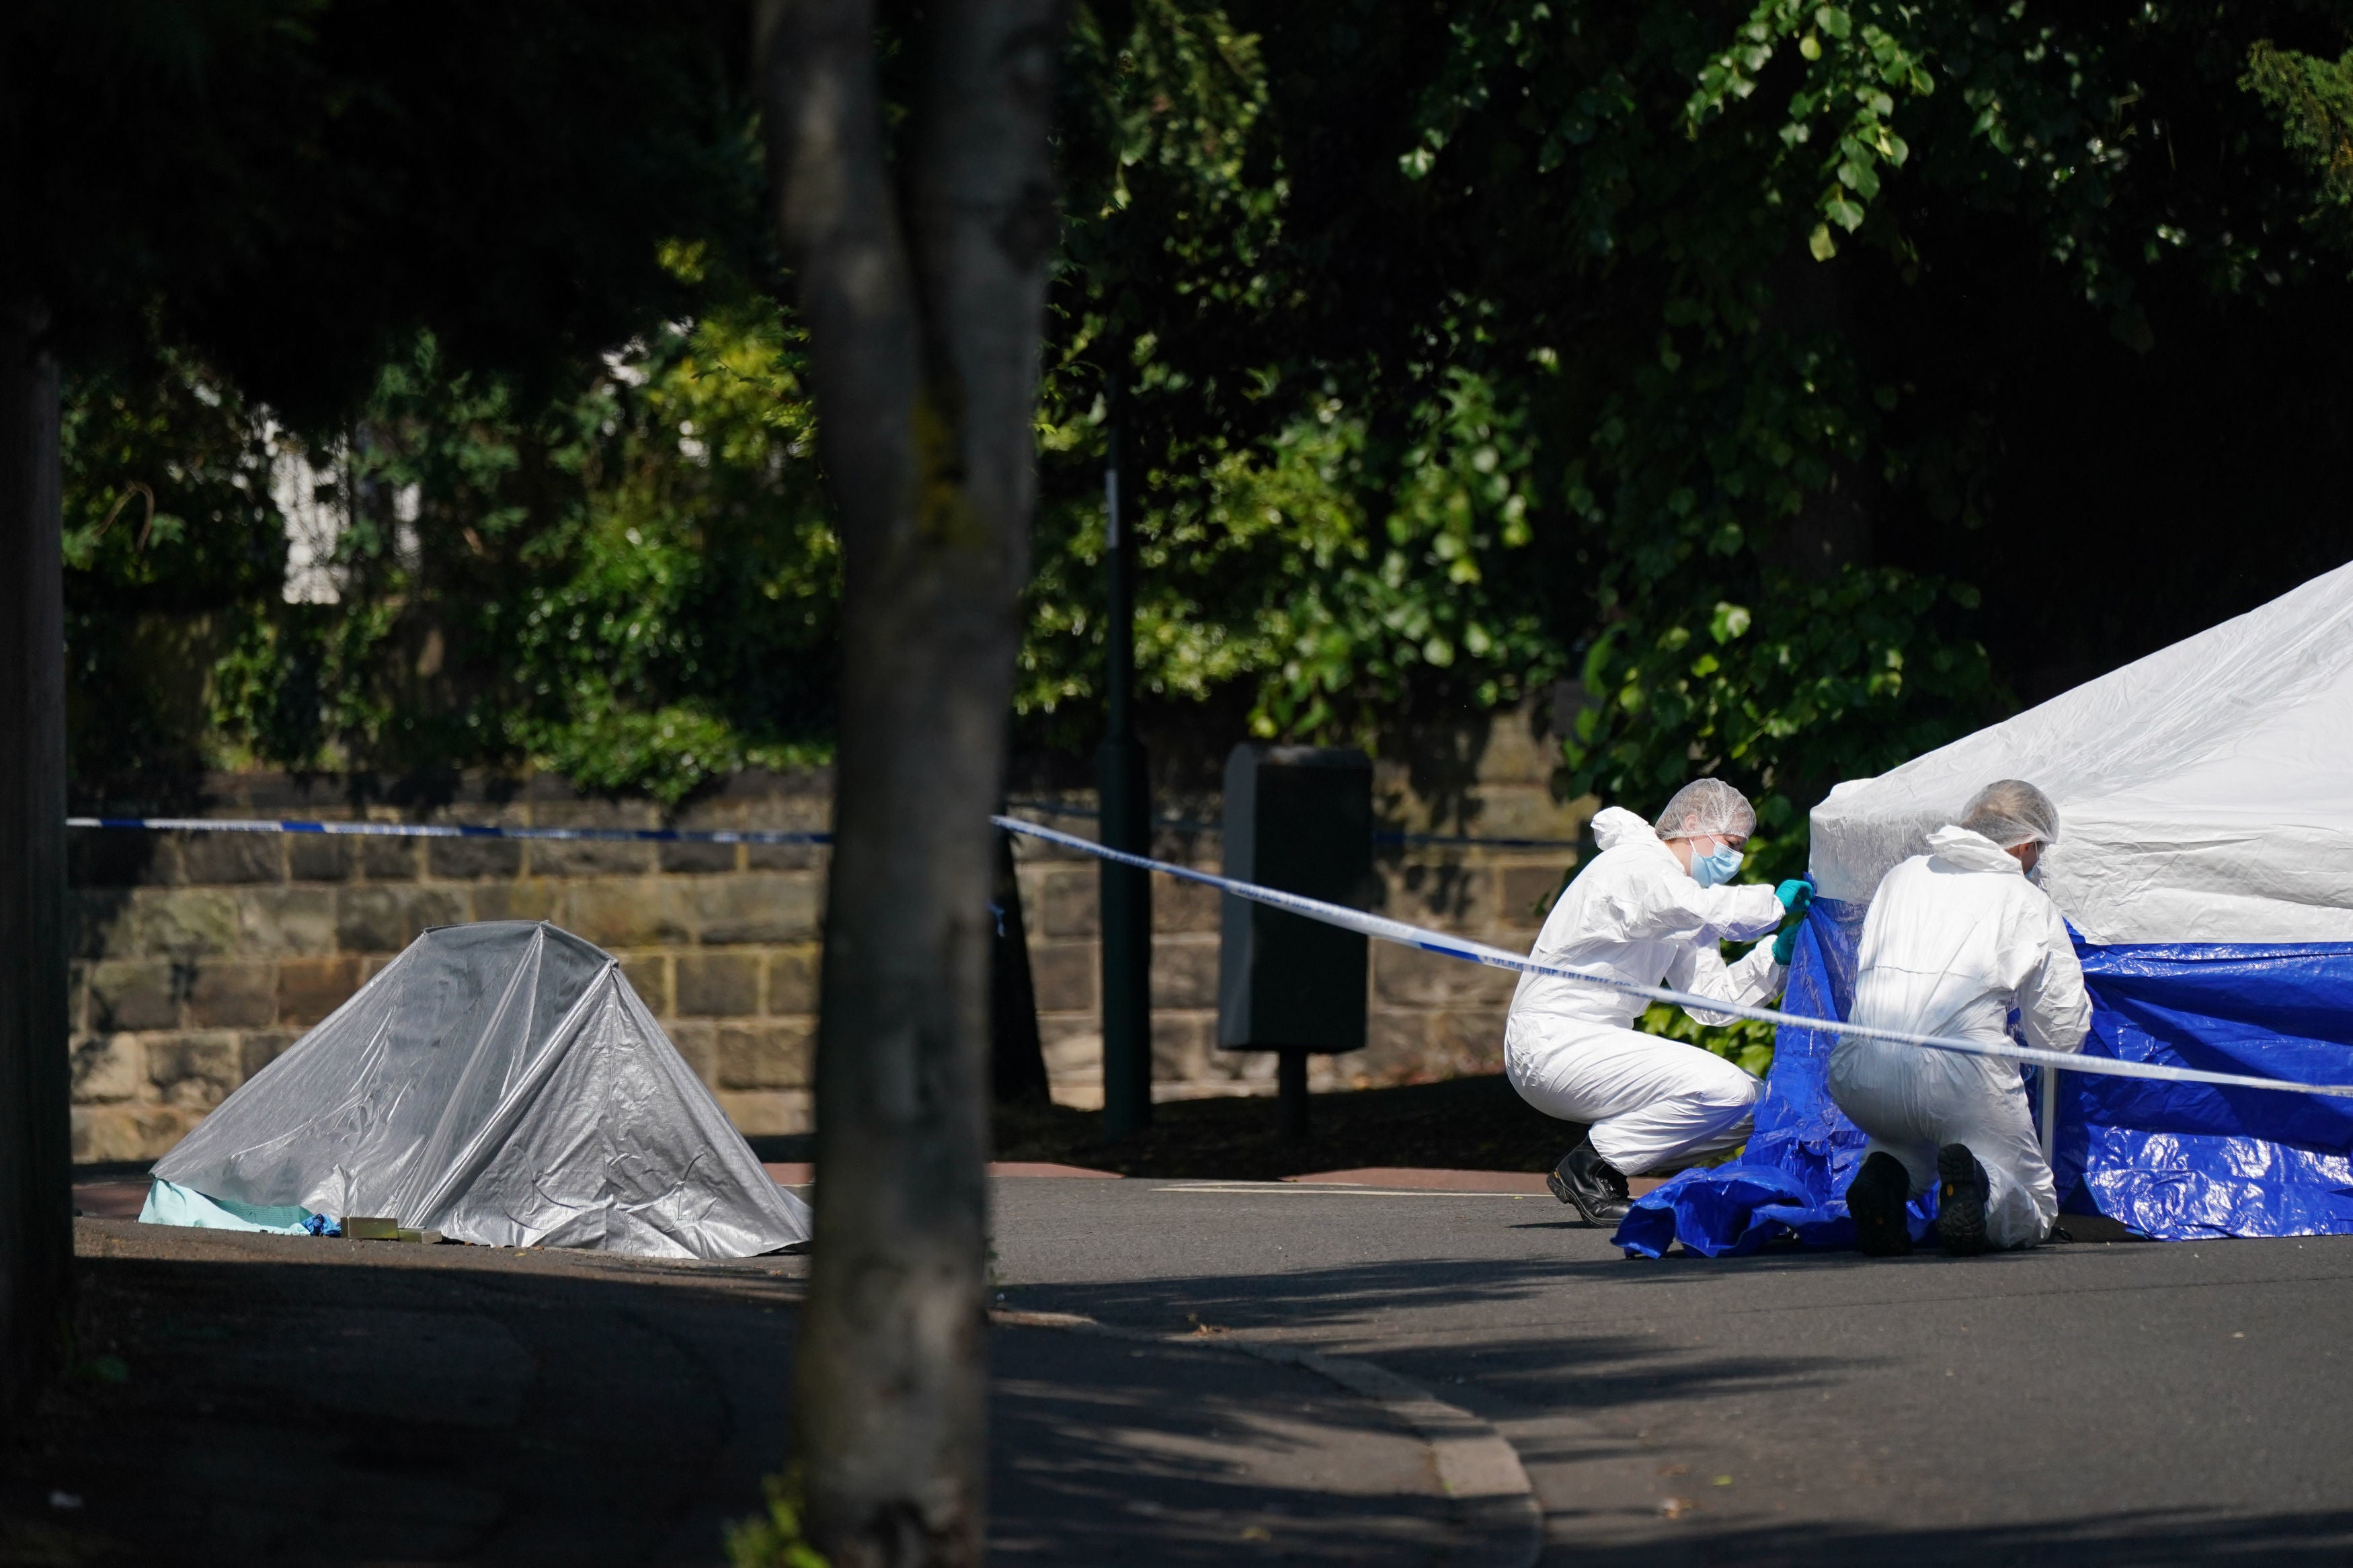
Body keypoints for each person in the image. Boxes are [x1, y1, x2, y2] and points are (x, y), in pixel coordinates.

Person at [1507, 779, 1810, 1225]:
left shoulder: (1680, 897)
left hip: (1593, 1041)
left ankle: (1619, 1169)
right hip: (1552, 1038)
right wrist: (1774, 905)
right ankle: (1590, 1169)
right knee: (1723, 1089)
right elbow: (1698, 908)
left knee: (1755, 1105)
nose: (1736, 858)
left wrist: (1776, 955)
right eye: (1730, 843)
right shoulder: (1637, 865)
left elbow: (1711, 1001)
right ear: (1691, 824)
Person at [1829, 779, 2092, 1257]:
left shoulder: (1902, 875)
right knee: (2032, 1199)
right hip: (1960, 1077)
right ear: (2026, 844)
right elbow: (2060, 1031)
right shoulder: (2026, 900)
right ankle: (1978, 1186)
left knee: (1908, 1136)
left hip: (1860, 1072)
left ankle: (1883, 1179)